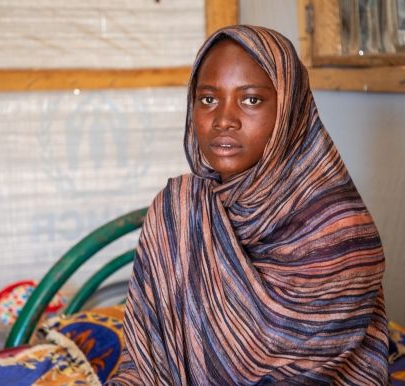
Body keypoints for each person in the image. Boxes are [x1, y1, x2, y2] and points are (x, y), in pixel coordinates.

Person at [106, 25, 388, 385]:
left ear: (290, 110)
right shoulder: (178, 212)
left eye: (251, 99)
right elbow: (144, 356)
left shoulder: (340, 235)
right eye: (208, 99)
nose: (223, 120)